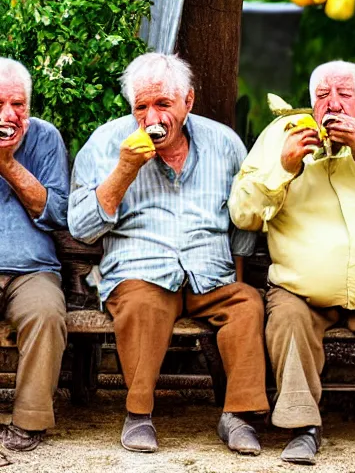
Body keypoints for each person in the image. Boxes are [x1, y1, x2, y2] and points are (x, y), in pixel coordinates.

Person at [228, 60, 355, 466]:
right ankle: (302, 427)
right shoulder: (281, 135)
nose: (334, 105)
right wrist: (283, 168)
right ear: (311, 104)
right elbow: (243, 213)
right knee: (287, 319)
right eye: (323, 96)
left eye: (345, 94)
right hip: (301, 292)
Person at [68, 53, 269, 454]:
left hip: (210, 272)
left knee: (247, 304)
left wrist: (237, 278)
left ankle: (238, 415)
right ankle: (138, 415)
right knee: (144, 305)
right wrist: (125, 170)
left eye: (163, 104)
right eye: (141, 106)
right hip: (140, 270)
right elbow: (81, 227)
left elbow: (242, 222)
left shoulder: (224, 144)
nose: (151, 116)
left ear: (188, 102)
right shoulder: (107, 144)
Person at [0, 58, 69, 453]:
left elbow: (58, 212)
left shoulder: (45, 138)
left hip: (32, 269)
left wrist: (7, 163)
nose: (9, 115)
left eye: (19, 104)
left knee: (46, 313)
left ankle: (29, 421)